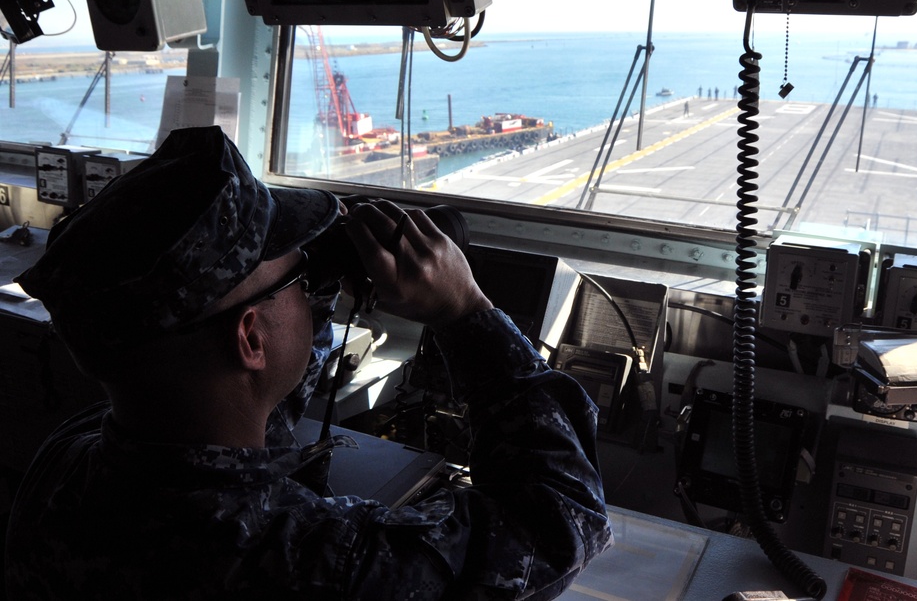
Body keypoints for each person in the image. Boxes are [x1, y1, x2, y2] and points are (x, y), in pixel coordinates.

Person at [4, 126, 612, 599]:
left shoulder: (68, 462)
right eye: (296, 277)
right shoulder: (313, 561)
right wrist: (466, 311)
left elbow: (240, 395)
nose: (308, 284)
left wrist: (305, 279)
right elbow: (561, 523)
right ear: (250, 338)